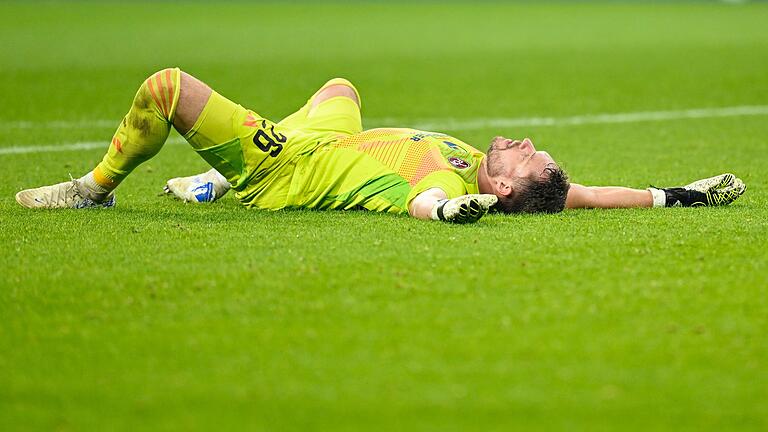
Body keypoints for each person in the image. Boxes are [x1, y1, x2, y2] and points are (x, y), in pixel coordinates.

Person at [15, 68, 746, 223]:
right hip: (337, 137)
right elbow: (587, 194)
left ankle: (93, 188)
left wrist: (445, 214)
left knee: (167, 89)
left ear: (500, 190)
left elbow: (422, 200)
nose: (525, 142)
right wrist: (679, 192)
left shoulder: (449, 185)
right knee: (341, 87)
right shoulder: (539, 189)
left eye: (526, 156)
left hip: (288, 165)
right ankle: (212, 183)